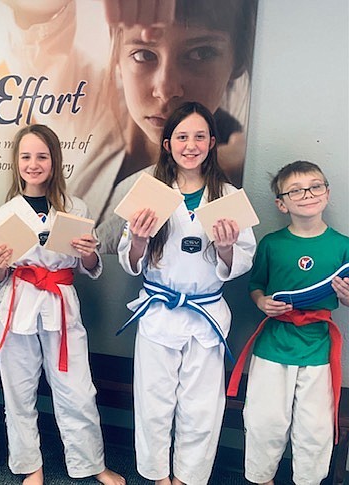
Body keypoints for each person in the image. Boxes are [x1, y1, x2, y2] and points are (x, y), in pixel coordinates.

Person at [0, 0, 257, 252]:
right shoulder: (89, 98)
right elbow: (33, 29)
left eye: (200, 54)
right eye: (144, 54)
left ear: (238, 61)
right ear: (116, 54)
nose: (166, 89)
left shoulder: (238, 173)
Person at [116, 102, 256, 485]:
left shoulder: (227, 196)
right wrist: (140, 239)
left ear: (212, 142)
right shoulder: (149, 192)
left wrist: (226, 247)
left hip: (206, 314)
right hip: (159, 312)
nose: (190, 145)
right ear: (167, 143)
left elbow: (241, 261)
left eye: (199, 136)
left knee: (201, 406)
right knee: (153, 401)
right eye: (181, 136)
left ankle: (188, 478)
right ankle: (159, 476)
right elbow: (129, 259)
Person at [0, 124, 125, 485]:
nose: (34, 164)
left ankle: (90, 463)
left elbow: (89, 268)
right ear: (16, 163)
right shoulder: (5, 214)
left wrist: (90, 255)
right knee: (19, 389)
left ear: (54, 161)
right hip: (19, 305)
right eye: (26, 156)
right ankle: (30, 465)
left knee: (78, 389)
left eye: (42, 156)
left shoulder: (76, 208)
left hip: (61, 305)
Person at [226, 161, 349, 485]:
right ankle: (261, 478)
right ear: (282, 203)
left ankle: (308, 480)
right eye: (295, 190)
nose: (307, 194)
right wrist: (261, 302)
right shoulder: (271, 243)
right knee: (264, 420)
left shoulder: (343, 246)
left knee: (316, 427)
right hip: (273, 345)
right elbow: (256, 285)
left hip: (317, 347)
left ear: (327, 192)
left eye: (315, 186)